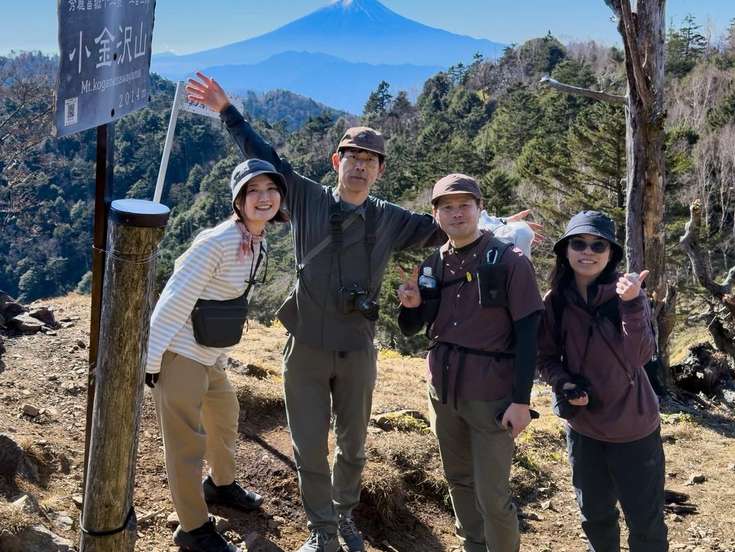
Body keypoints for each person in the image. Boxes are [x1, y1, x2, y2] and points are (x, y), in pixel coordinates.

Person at [186, 73, 539, 552]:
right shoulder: (307, 198)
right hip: (306, 348)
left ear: (379, 171)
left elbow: (449, 224)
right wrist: (228, 111)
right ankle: (322, 531)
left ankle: (344, 517)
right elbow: (266, 157)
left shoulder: (390, 218)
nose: (359, 167)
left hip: (357, 349)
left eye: (369, 161)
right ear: (337, 162)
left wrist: (496, 222)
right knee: (309, 446)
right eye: (352, 157)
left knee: (352, 445)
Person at [145, 158, 288, 552]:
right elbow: (174, 300)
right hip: (179, 354)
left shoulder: (256, 241)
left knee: (225, 417)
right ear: (238, 200)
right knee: (186, 444)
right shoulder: (217, 242)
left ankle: (220, 485)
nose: (264, 197)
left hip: (209, 354)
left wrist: (221, 356)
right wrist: (152, 362)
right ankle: (193, 528)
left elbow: (226, 307)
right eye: (253, 190)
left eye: (271, 189)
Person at [396, 174, 544, 552]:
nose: (457, 213)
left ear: (480, 209)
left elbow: (529, 334)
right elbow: (413, 327)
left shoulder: (509, 261)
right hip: (443, 393)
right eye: (447, 207)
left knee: (493, 494)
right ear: (436, 215)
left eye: (465, 205)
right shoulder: (433, 264)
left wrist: (521, 401)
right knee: (458, 481)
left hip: (491, 394)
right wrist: (410, 306)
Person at [537, 210, 668, 552]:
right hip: (584, 429)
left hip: (634, 429)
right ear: (565, 250)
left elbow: (640, 356)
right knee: (595, 518)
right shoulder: (556, 301)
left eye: (598, 245)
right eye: (579, 243)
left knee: (646, 525)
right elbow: (546, 358)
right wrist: (565, 384)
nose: (588, 251)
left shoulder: (627, 294)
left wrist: (632, 303)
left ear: (611, 254)